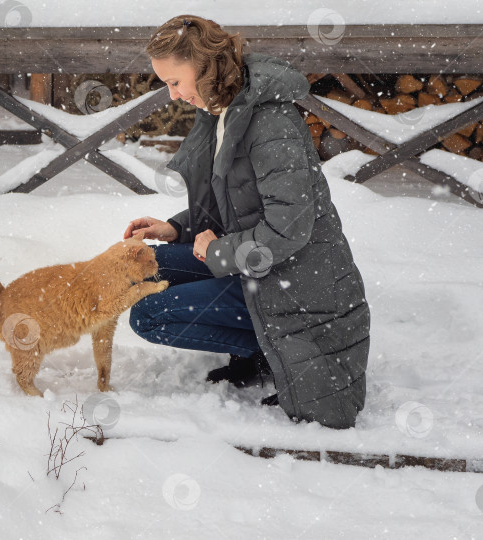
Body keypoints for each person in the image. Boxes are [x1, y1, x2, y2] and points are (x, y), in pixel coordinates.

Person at [124, 15, 370, 429]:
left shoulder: (268, 122)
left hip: (290, 284)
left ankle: (266, 349)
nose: (173, 95)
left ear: (204, 67)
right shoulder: (223, 111)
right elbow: (236, 206)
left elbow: (288, 228)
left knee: (148, 314)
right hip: (259, 266)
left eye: (175, 82)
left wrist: (217, 251)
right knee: (143, 263)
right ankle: (258, 344)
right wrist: (177, 229)